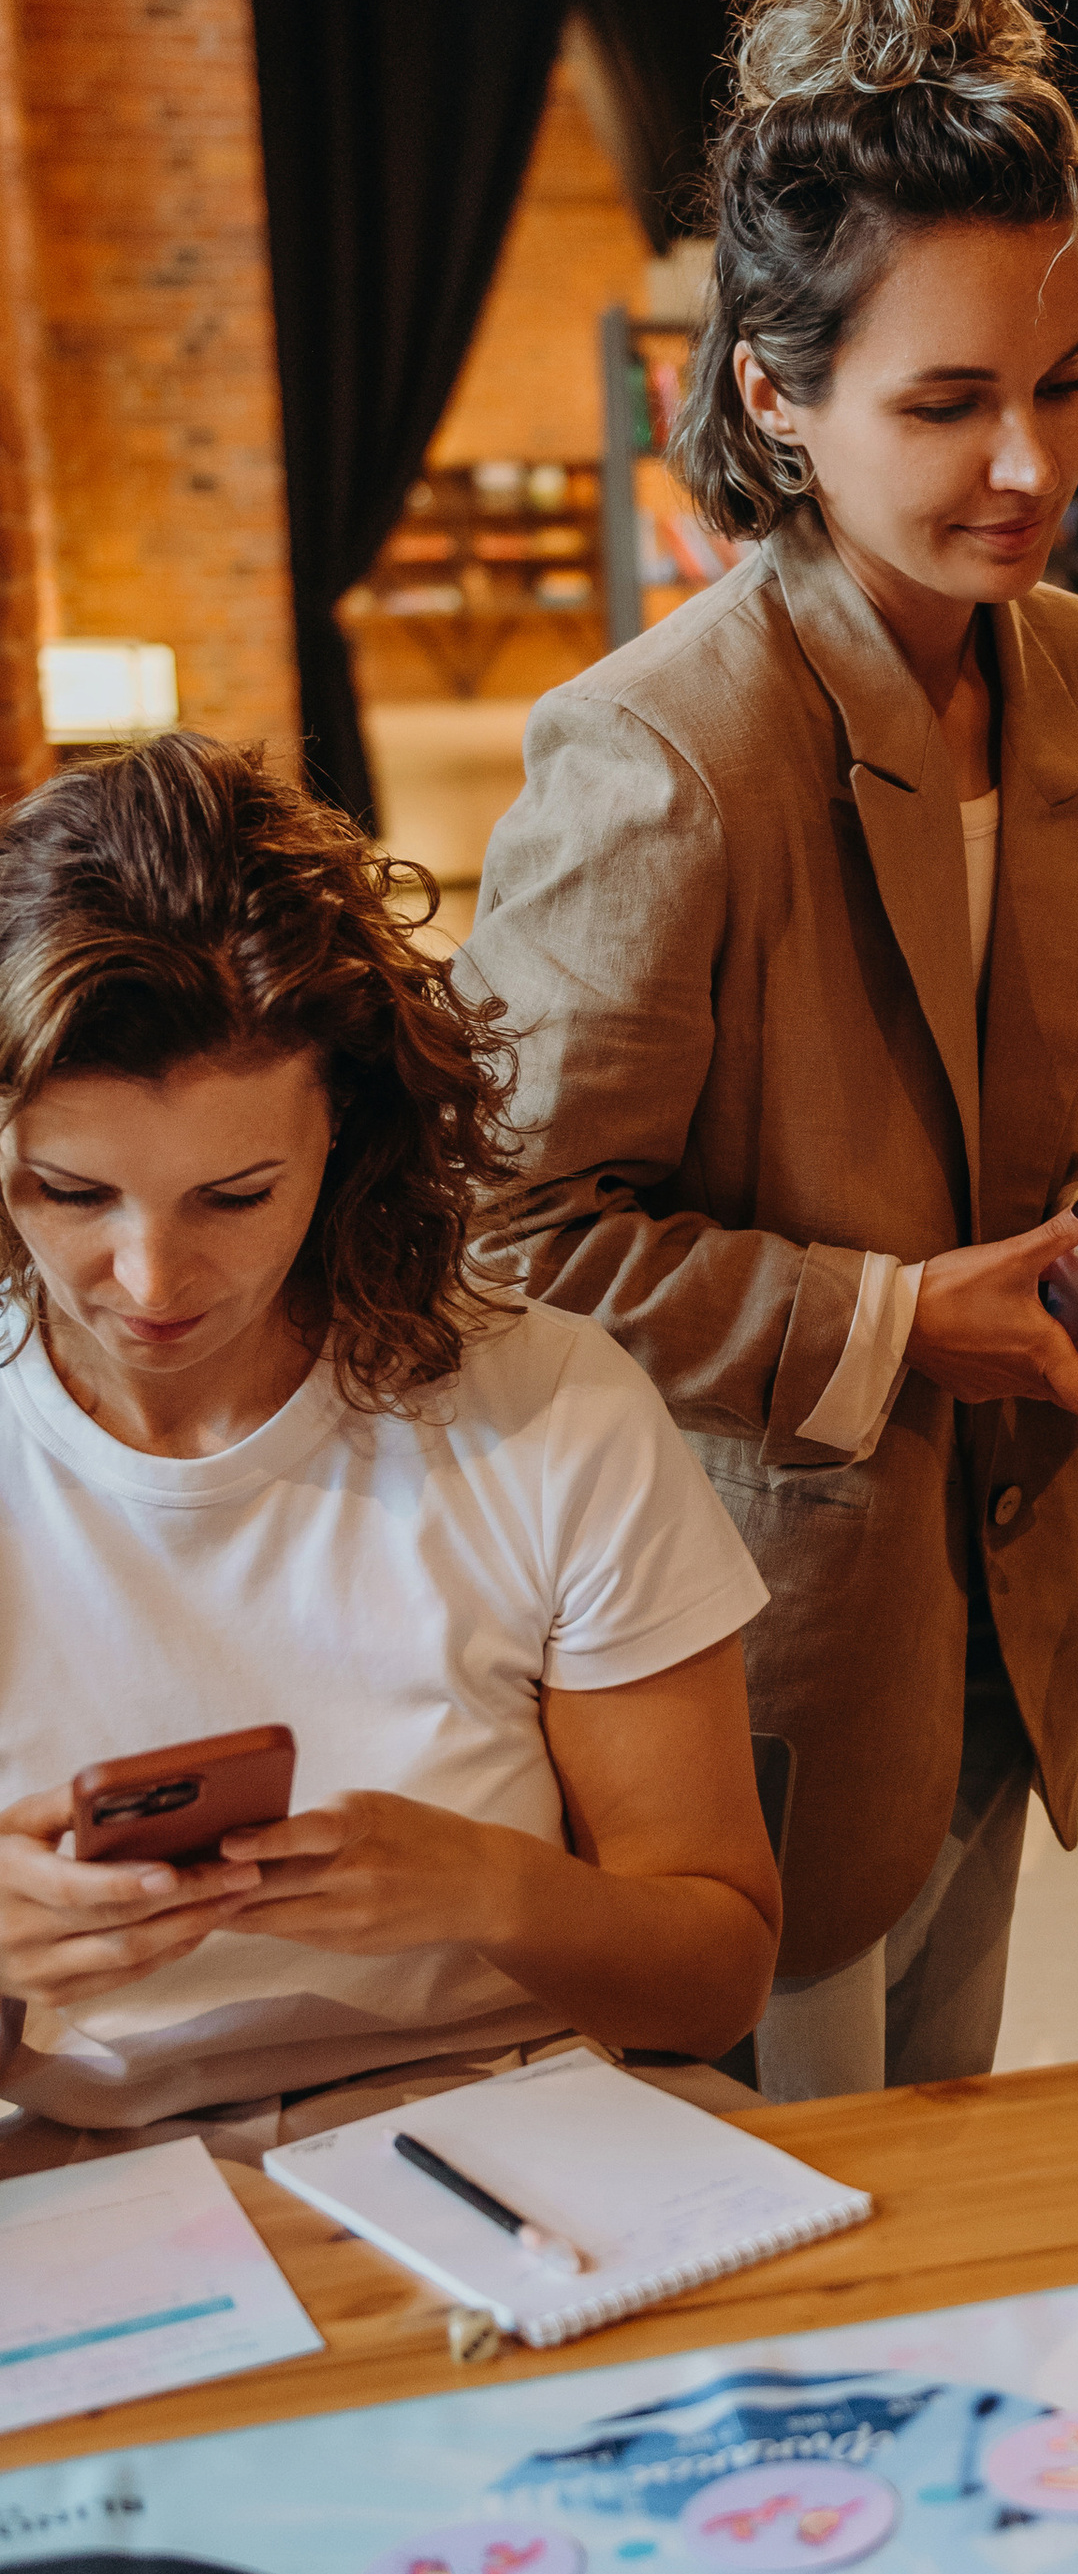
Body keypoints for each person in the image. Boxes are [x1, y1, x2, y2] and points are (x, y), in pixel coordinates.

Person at [459, 0, 1078, 2096]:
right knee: (789, 2252)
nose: (1024, 472)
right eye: (945, 406)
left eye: (1060, 388)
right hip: (739, 1640)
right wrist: (898, 1326)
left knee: (962, 2190)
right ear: (775, 398)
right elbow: (501, 1234)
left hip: (1004, 1589)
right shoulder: (661, 754)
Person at [0, 737, 781, 2167]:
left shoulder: (545, 1404)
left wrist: (492, 1889)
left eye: (236, 1195)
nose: (151, 1276)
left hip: (521, 2120)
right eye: (69, 1191)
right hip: (91, 2172)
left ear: (348, 1130)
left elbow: (716, 1975)